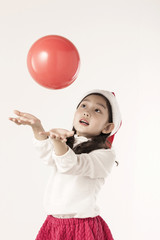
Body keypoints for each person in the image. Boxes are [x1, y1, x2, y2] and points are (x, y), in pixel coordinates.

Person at [9, 89, 122, 240]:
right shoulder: (69, 143)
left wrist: (58, 141)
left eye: (97, 110)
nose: (86, 112)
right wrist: (37, 127)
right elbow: (48, 156)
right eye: (83, 106)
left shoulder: (105, 154)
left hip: (82, 226)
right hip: (53, 224)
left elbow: (71, 165)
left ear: (107, 127)